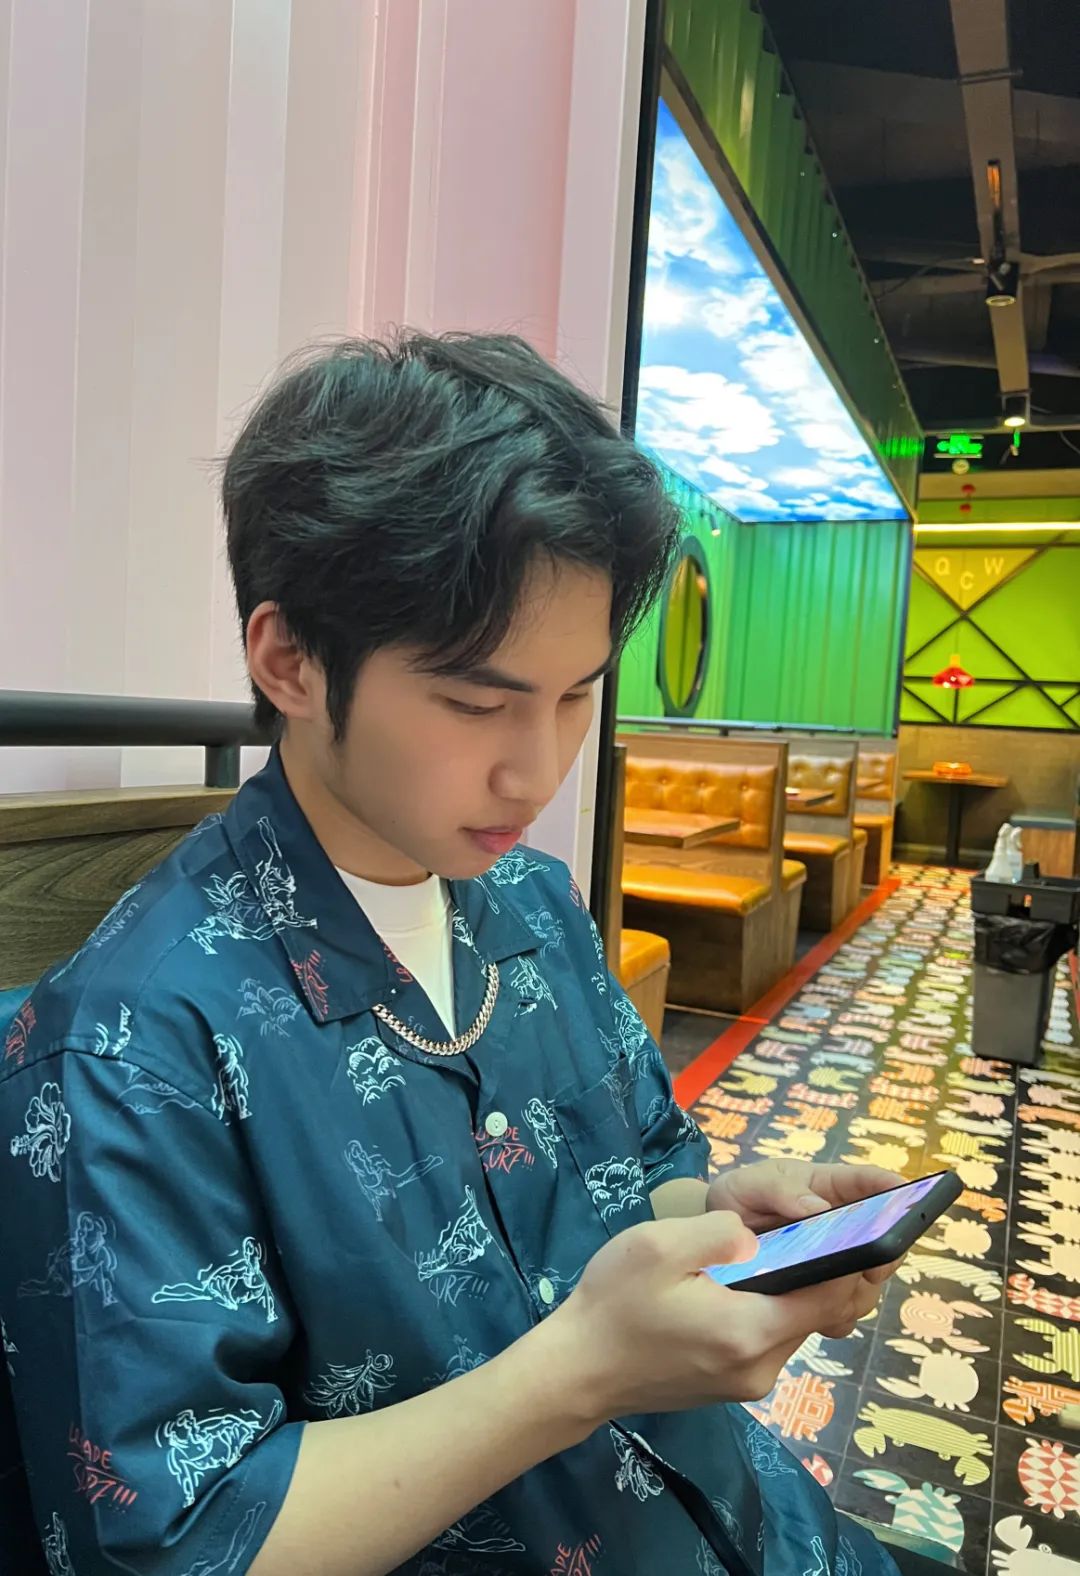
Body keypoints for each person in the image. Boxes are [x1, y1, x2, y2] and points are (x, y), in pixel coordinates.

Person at [0, 333, 931, 1576]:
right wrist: (578, 1373)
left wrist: (722, 1219)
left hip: (753, 1518)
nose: (536, 772)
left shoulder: (532, 905)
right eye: (478, 702)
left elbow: (635, 1172)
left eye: (577, 695)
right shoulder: (130, 1048)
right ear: (289, 660)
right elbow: (177, 1542)